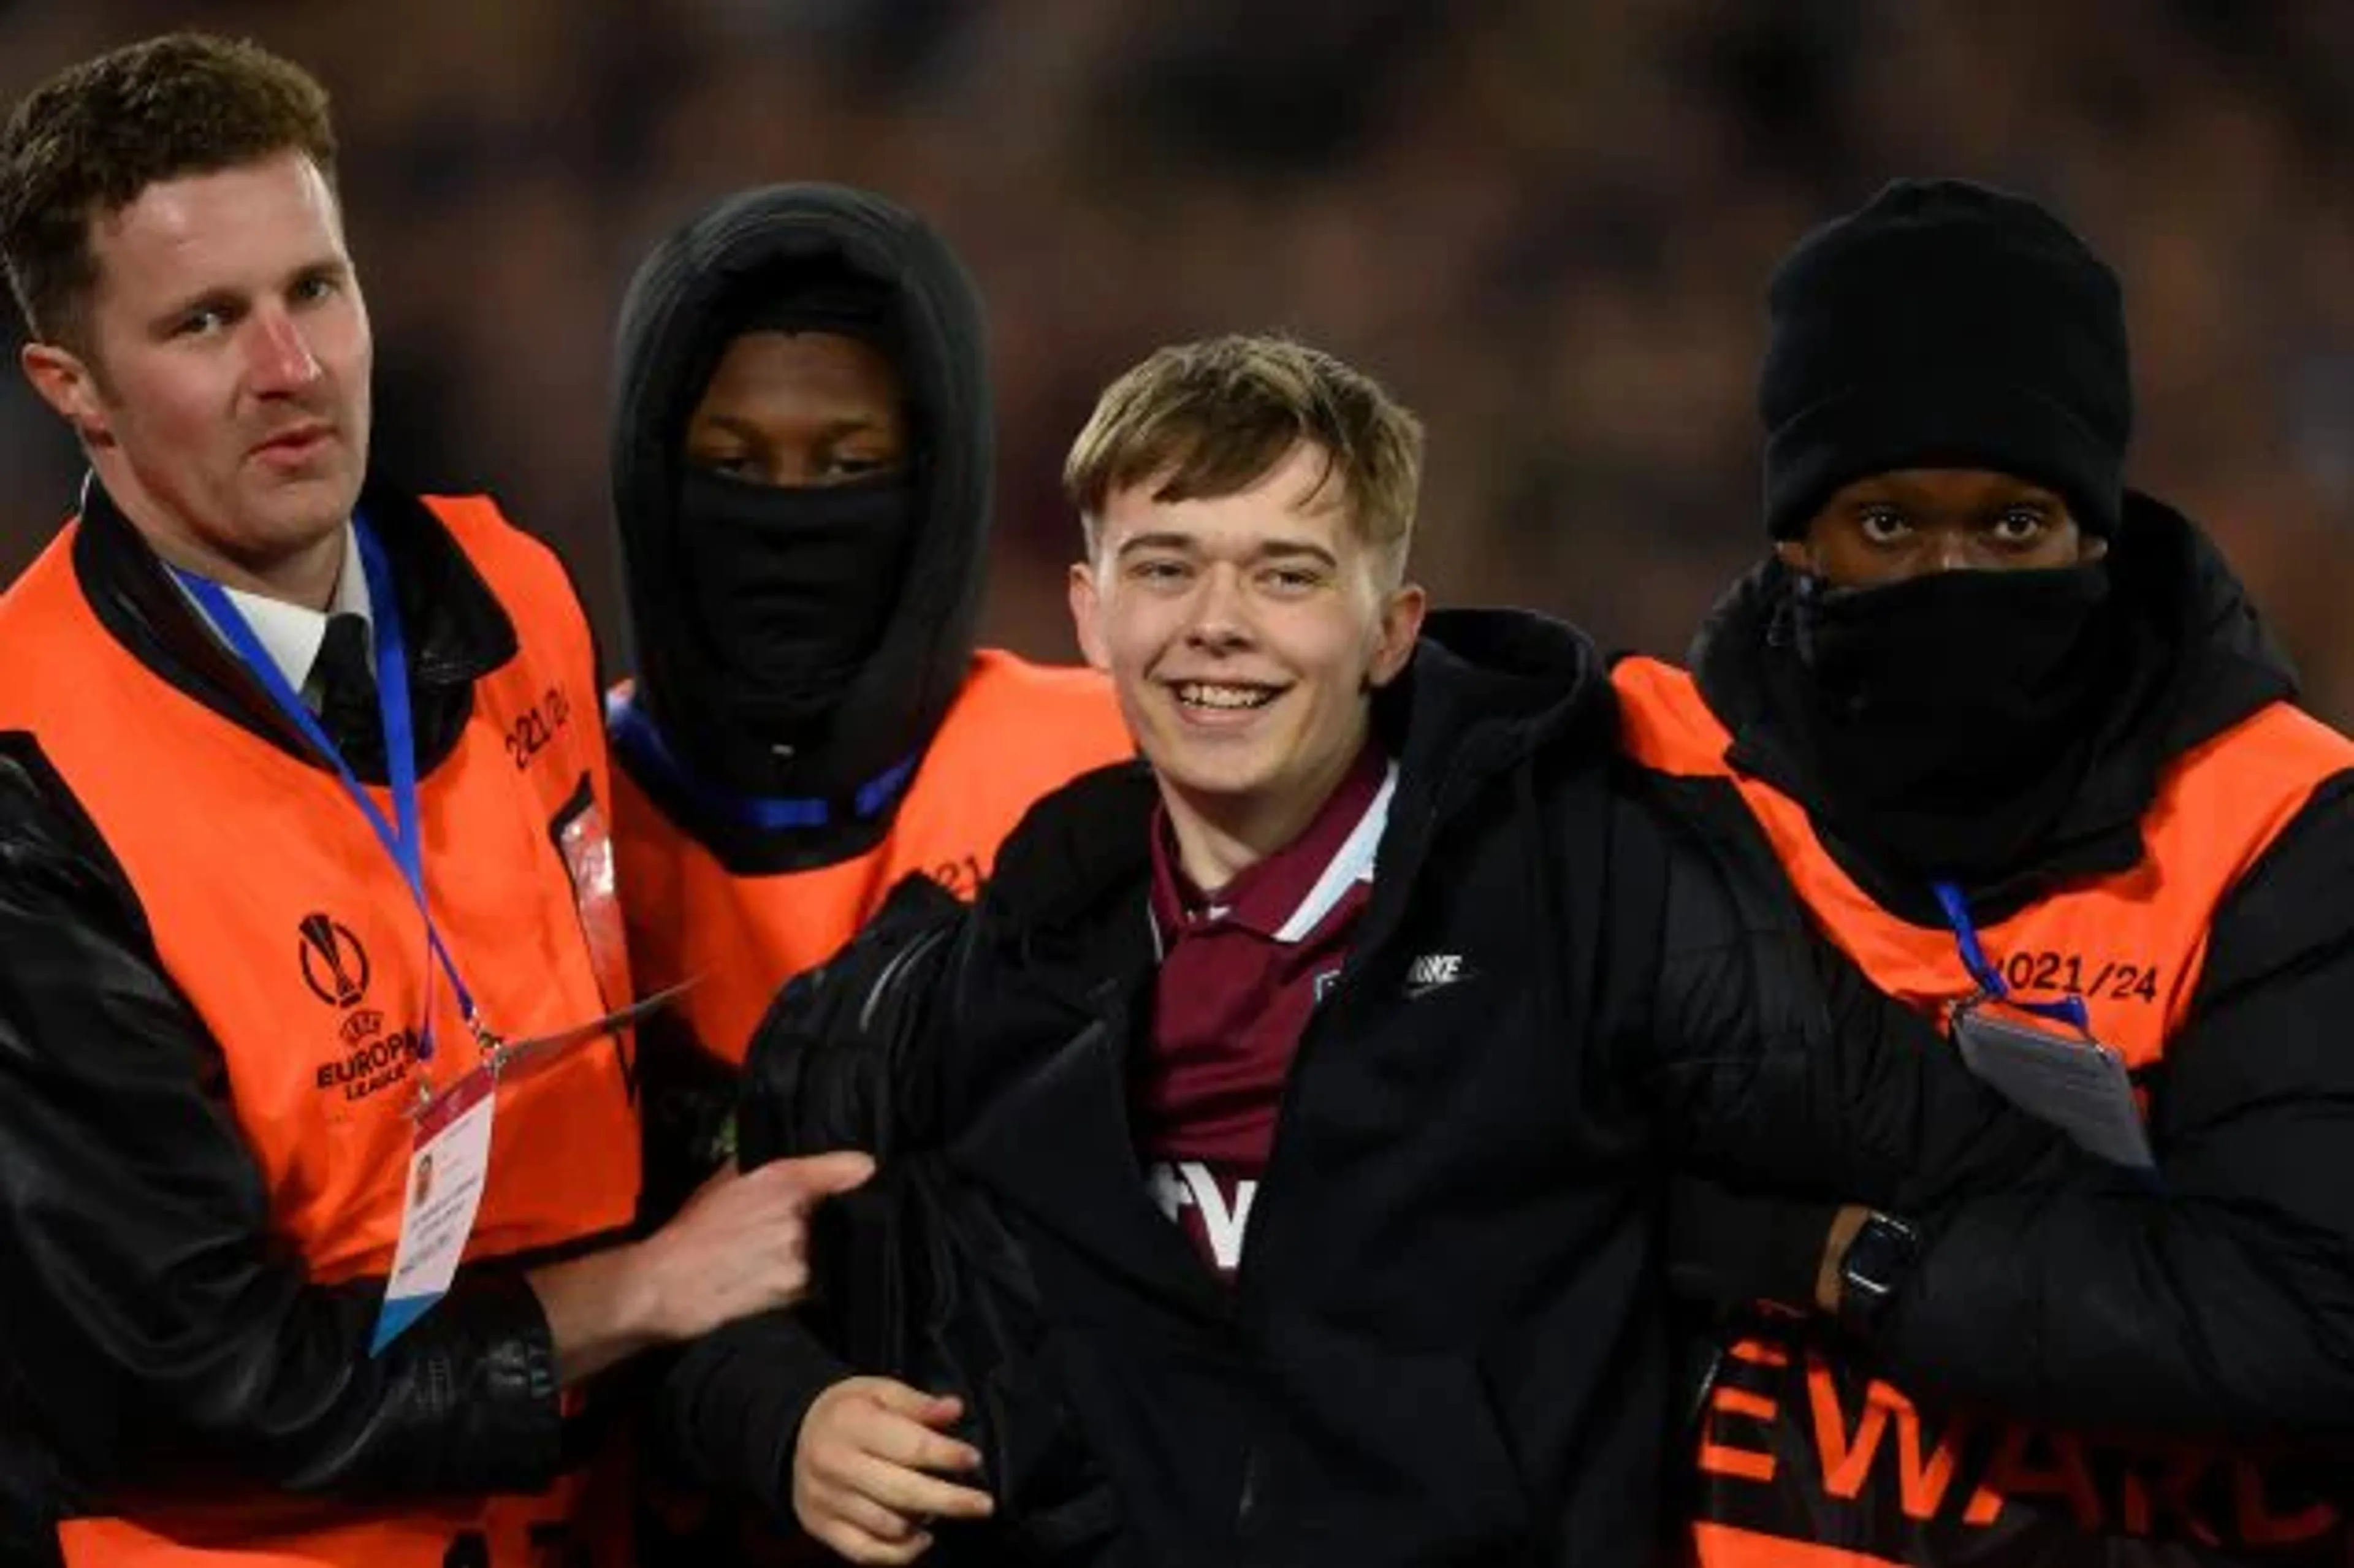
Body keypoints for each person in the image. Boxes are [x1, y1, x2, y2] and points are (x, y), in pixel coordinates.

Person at [663, 332, 2136, 1567]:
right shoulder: (987, 955)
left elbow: (1989, 1179)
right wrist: (786, 1416)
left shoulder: (1601, 900)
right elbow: (698, 1283)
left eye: (1287, 575)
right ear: (1090, 613)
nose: (1216, 629)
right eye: (1166, 568)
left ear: (1392, 630)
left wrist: (1804, 1260)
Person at [0, 34, 870, 1568]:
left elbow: (590, 1056)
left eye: (316, 289)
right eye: (206, 321)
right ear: (74, 388)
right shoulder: (30, 773)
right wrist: (645, 1293)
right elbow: (193, 1376)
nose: (292, 369)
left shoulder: (510, 590)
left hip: (579, 1511)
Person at [1612, 179, 2354, 1566]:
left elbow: (2304, 1324)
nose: (1952, 574)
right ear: (1794, 544)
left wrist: (1831, 1253)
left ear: (2094, 532)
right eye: (1887, 526)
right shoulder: (1644, 780)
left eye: (2012, 526)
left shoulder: (2290, 824)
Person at [603, 181, 1133, 1111]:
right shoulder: (552, 824)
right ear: (652, 478)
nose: (789, 513)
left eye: (851, 466)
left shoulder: (1121, 769)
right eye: (734, 464)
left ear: (939, 481)